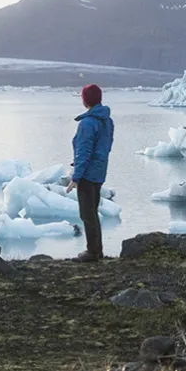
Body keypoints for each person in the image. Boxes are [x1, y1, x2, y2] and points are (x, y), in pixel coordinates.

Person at [65, 84, 114, 261]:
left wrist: (76, 176)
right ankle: (97, 250)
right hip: (99, 171)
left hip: (87, 173)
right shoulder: (107, 120)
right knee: (92, 211)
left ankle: (93, 252)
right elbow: (106, 146)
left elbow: (84, 151)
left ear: (85, 101)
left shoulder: (87, 123)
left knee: (87, 213)